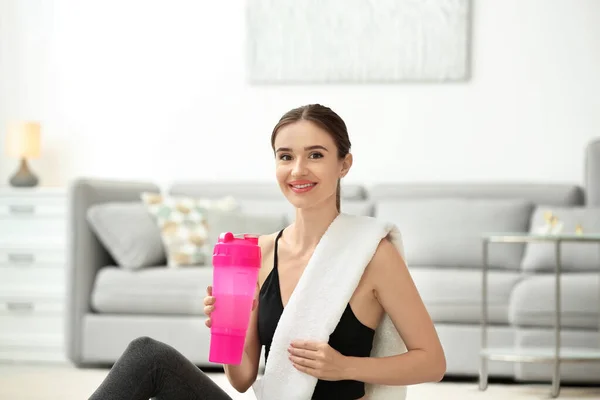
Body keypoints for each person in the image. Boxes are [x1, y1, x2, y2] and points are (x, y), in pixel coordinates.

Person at [89, 104, 446, 400]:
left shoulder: (372, 254)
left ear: (344, 164)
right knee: (147, 356)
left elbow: (432, 362)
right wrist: (228, 327)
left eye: (315, 155)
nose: (298, 170)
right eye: (285, 156)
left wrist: (344, 367)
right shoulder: (257, 252)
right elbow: (242, 379)